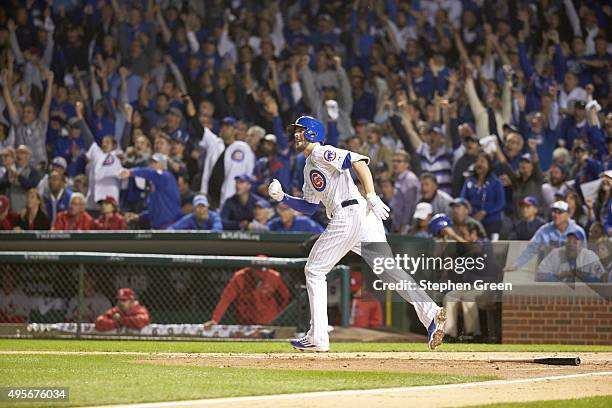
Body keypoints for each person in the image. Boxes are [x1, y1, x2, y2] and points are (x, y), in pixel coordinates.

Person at [268, 115, 446, 352]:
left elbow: (358, 161)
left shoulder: (321, 153)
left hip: (349, 214)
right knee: (389, 270)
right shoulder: (309, 165)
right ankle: (432, 313)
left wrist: (371, 195)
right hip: (360, 217)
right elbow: (310, 207)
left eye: (300, 130)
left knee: (314, 270)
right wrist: (283, 198)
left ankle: (318, 336)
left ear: (312, 132)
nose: (295, 135)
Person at [506, 201, 587, 271]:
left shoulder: (578, 231)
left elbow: (584, 254)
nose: (555, 215)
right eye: (554, 211)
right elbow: (530, 249)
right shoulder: (544, 230)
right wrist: (516, 264)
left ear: (568, 215)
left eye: (559, 212)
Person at [203, 264, 290, 326]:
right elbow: (226, 298)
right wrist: (215, 319)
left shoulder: (275, 276)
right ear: (252, 269)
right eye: (258, 273)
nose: (260, 277)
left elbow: (285, 296)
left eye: (263, 274)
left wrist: (278, 315)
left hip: (268, 320)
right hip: (246, 321)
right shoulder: (240, 277)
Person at [199, 117, 255, 209]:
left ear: (235, 130)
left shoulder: (243, 148)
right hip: (210, 195)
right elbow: (199, 129)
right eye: (223, 126)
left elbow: (249, 171)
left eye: (227, 127)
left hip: (231, 196)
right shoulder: (215, 143)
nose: (224, 129)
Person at [118, 153, 182, 229]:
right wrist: (139, 216)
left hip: (171, 226)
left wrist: (131, 172)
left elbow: (151, 173)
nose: (151, 165)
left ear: (162, 165)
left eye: (155, 162)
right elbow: (155, 209)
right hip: (158, 227)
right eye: (151, 162)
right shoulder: (153, 184)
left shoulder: (166, 177)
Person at [460, 152, 506, 239]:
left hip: (492, 220)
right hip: (473, 219)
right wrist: (471, 213)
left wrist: (485, 212)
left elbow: (501, 203)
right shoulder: (469, 181)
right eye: (477, 161)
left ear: (489, 165)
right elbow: (463, 200)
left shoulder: (496, 182)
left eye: (482, 161)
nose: (479, 164)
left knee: (490, 248)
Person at [536, 230, 605, 283]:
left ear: (582, 244)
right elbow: (539, 275)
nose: (571, 245)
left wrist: (581, 276)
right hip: (558, 294)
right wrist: (557, 276)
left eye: (575, 242)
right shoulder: (556, 253)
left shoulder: (590, 256)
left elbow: (601, 278)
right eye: (569, 241)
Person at [0, 145, 42, 213]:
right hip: (10, 209)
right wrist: (8, 181)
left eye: (22, 152)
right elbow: (1, 183)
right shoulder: (11, 169)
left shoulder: (33, 171)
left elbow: (30, 185)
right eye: (18, 152)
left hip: (24, 209)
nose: (19, 155)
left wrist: (18, 175)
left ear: (28, 156)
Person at [390, 151, 420, 233]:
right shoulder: (399, 178)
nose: (395, 164)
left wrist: (404, 225)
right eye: (394, 161)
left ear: (407, 164)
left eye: (399, 161)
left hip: (405, 227)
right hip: (397, 225)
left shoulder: (409, 179)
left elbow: (409, 206)